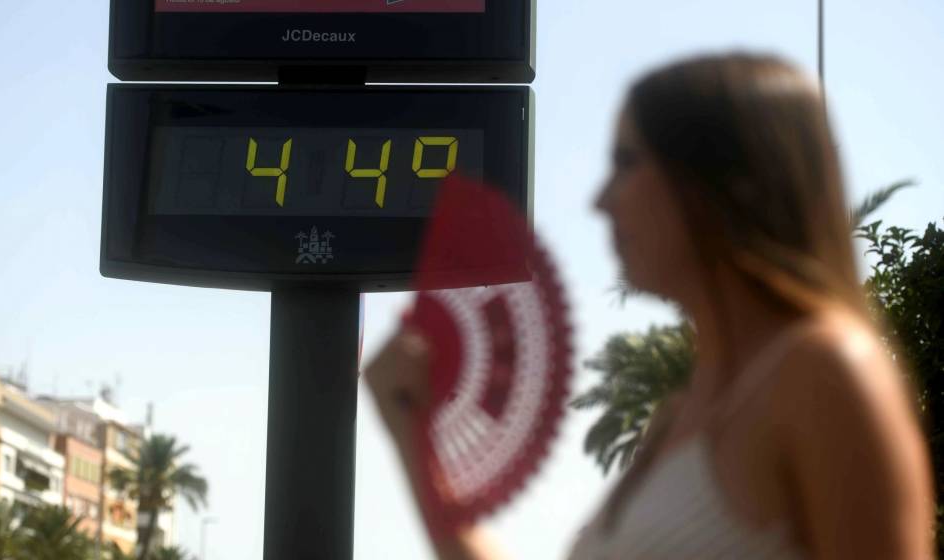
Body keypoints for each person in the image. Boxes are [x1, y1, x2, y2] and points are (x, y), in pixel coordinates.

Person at [364, 52, 934, 559]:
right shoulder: (677, 415)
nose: (599, 201)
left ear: (721, 182)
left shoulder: (826, 371)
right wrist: (416, 439)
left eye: (627, 162)